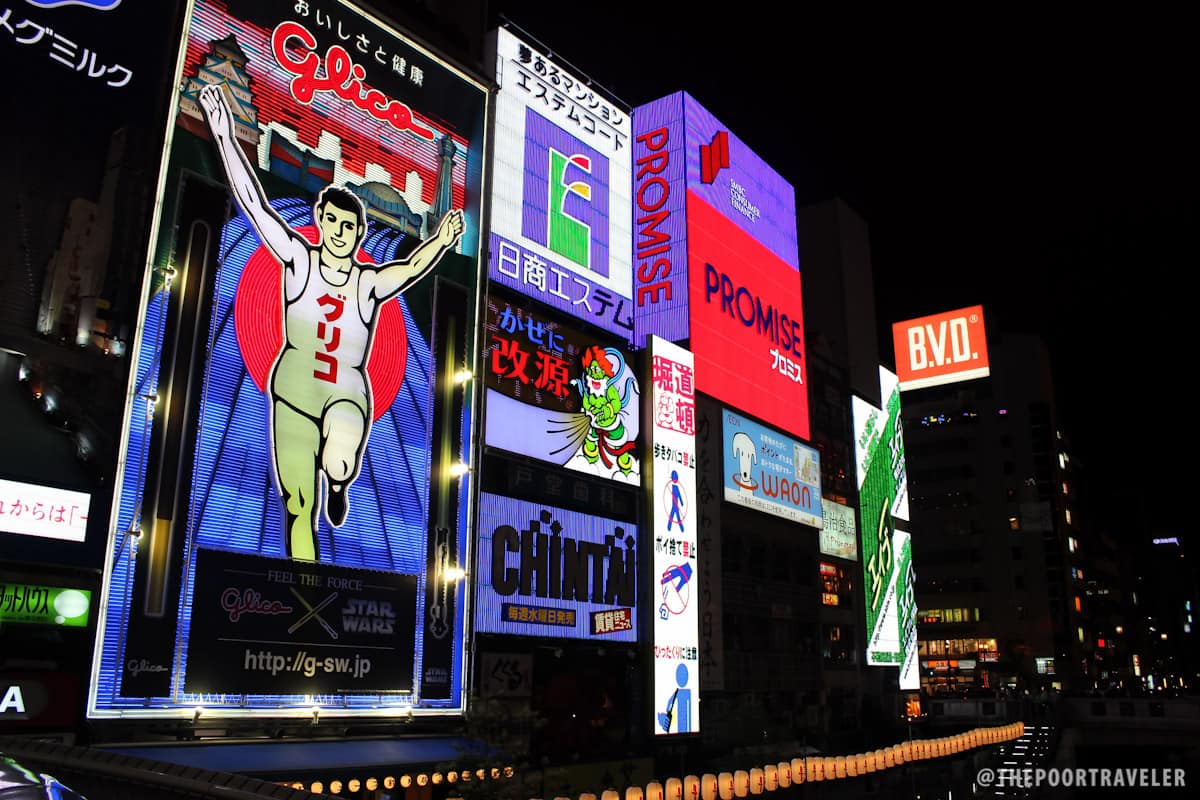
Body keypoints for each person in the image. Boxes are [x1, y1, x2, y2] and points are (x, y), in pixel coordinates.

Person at [199, 84, 463, 561]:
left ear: (359, 233)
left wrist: (441, 242)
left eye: (349, 227)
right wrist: (223, 136)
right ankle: (303, 577)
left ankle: (339, 480)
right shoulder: (297, 259)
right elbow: (257, 208)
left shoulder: (366, 283)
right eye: (333, 223)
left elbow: (407, 270)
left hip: (346, 393)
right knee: (298, 504)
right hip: (292, 392)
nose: (340, 234)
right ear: (319, 220)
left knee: (340, 458)